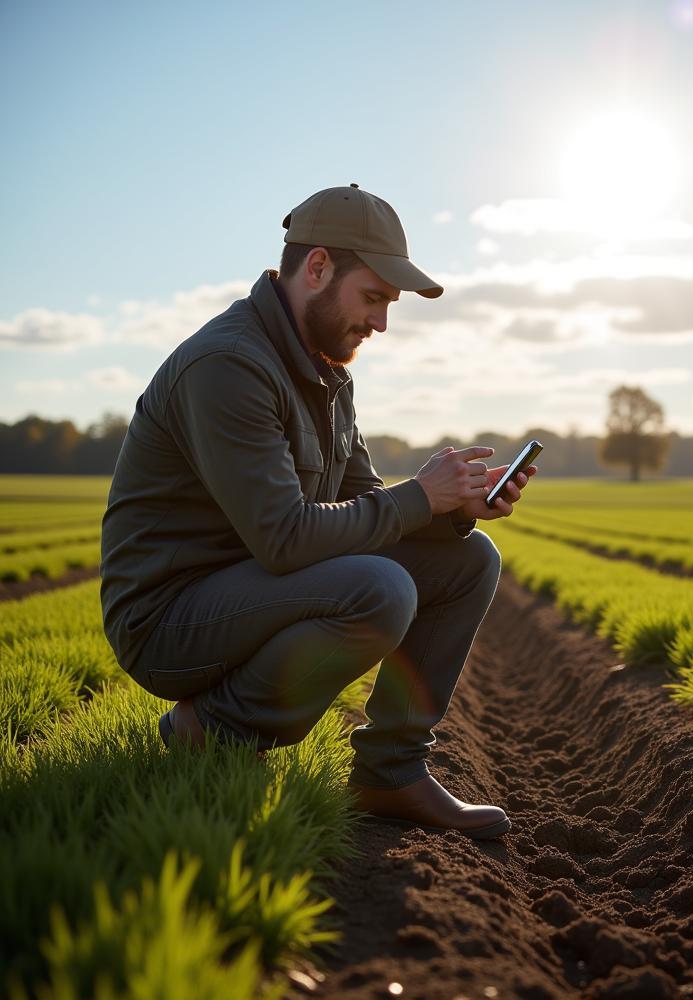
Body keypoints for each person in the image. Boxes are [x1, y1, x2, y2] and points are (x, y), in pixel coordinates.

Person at [100, 185, 535, 840]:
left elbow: (365, 501)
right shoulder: (228, 365)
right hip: (170, 618)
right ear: (318, 268)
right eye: (375, 298)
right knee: (378, 589)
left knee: (467, 560)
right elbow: (284, 538)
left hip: (256, 589)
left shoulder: (328, 373)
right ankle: (212, 730)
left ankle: (389, 774)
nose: (383, 323)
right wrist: (421, 493)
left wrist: (454, 508)